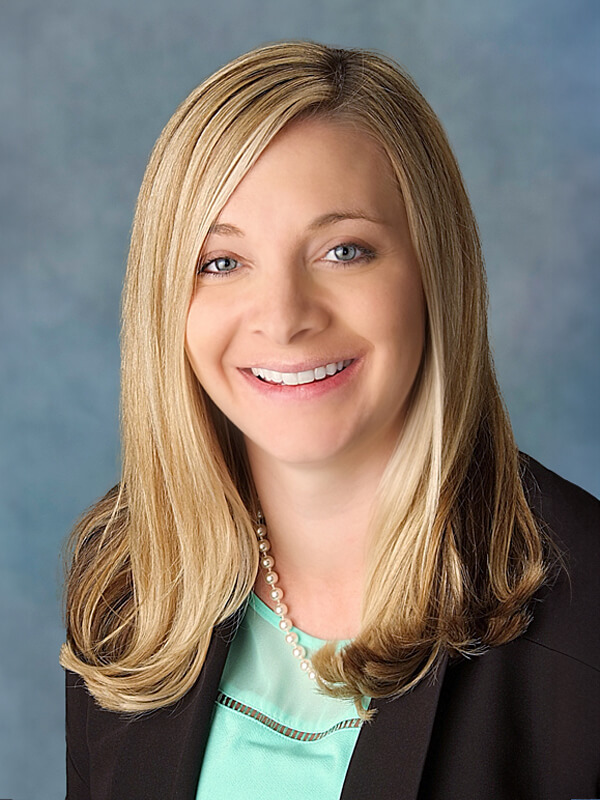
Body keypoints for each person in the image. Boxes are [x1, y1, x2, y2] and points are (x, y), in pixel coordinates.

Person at [61, 41, 599, 799]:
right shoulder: (127, 580)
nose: (283, 319)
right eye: (220, 262)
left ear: (433, 273)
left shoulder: (588, 622)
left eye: (345, 250)